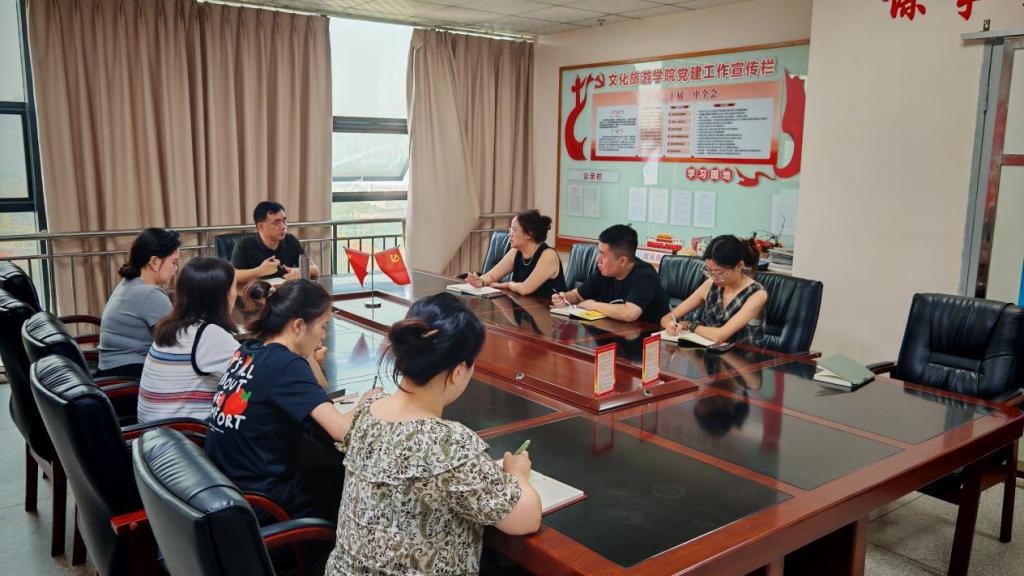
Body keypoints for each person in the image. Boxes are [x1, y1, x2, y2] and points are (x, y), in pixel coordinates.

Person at [325, 293, 541, 575]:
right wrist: (518, 475)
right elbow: (526, 518)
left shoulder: (366, 411)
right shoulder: (448, 444)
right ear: (458, 371)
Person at [204, 279, 372, 521]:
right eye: (323, 326)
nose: (324, 337)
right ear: (299, 325)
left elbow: (319, 386)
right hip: (262, 499)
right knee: (344, 484)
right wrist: (367, 402)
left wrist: (304, 351)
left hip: (228, 485)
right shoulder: (285, 365)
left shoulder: (248, 350)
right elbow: (341, 431)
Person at [137, 257, 240, 423]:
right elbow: (255, 375)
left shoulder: (170, 327)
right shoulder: (209, 335)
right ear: (221, 296)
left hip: (153, 432)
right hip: (188, 434)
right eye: (234, 287)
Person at [96, 228, 181, 378]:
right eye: (174, 262)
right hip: (129, 375)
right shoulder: (149, 294)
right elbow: (176, 340)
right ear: (154, 262)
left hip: (111, 370)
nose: (176, 268)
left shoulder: (129, 283)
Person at [660, 235, 768, 345]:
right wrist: (670, 324)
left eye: (719, 272)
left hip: (741, 353)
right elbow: (666, 318)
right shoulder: (710, 285)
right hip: (705, 349)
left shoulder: (757, 294)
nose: (714, 277)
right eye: (709, 271)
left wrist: (689, 325)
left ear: (739, 266)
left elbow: (720, 335)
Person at [550, 224, 669, 324]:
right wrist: (565, 298)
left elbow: (630, 313)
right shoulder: (604, 272)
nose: (598, 259)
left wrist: (594, 305)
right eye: (599, 252)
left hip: (646, 339)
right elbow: (577, 295)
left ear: (622, 261)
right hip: (612, 332)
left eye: (603, 255)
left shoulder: (645, 276)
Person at [467, 209, 567, 296]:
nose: (510, 234)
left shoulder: (548, 255)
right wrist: (480, 281)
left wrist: (507, 285)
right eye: (510, 229)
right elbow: (491, 276)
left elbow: (525, 289)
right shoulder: (516, 252)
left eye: (514, 230)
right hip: (524, 307)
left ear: (529, 234)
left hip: (548, 309)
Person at [231, 201, 320, 285]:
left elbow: (315, 270)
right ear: (260, 226)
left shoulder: (291, 240)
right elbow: (233, 276)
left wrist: (298, 272)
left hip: (285, 292)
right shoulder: (244, 245)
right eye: (276, 223)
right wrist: (260, 271)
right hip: (257, 293)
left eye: (284, 220)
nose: (283, 226)